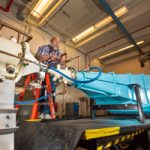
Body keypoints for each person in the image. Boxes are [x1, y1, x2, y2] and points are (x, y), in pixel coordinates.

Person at [35, 37, 66, 119]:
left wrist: (63, 60)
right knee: (42, 92)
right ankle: (41, 112)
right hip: (42, 71)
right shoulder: (43, 47)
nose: (57, 44)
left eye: (58, 42)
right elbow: (37, 57)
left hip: (53, 74)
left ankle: (47, 112)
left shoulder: (59, 52)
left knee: (51, 91)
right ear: (51, 41)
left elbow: (63, 64)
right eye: (56, 42)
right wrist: (49, 56)